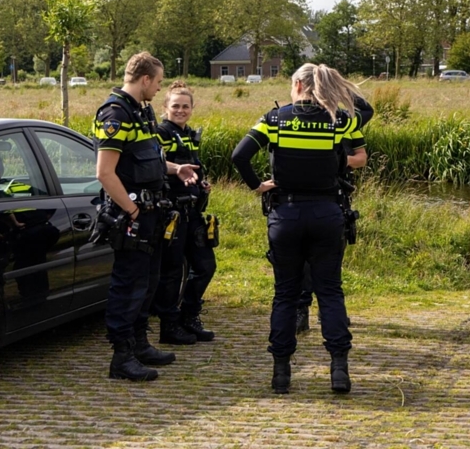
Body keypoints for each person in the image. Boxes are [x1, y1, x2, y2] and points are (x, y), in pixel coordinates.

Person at [231, 63, 367, 395]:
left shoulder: (274, 119)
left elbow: (239, 156)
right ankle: (339, 369)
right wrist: (332, 162)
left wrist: (258, 185)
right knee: (330, 292)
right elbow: (359, 157)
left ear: (296, 85)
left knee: (285, 295)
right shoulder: (341, 120)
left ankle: (281, 373)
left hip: (286, 215)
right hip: (327, 213)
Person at [94, 52, 199, 382]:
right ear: (145, 79)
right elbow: (105, 172)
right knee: (128, 285)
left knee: (147, 282)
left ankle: (140, 344)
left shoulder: (142, 111)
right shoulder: (115, 113)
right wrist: (132, 210)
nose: (159, 88)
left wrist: (175, 168)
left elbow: (146, 160)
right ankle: (121, 356)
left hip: (152, 214)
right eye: (158, 82)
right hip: (132, 216)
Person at [296, 82, 373, 334]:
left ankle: (328, 309)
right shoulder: (296, 117)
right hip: (302, 195)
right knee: (303, 258)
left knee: (332, 256)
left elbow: (366, 111)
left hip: (335, 193)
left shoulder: (343, 121)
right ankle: (301, 309)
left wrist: (339, 88)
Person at [153, 81, 217, 346]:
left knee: (205, 266)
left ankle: (189, 316)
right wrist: (177, 169)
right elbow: (154, 161)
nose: (180, 110)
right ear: (165, 107)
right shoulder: (159, 133)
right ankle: (169, 326)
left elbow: (194, 168)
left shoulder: (189, 134)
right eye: (175, 106)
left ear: (192, 108)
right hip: (171, 215)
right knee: (171, 272)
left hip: (192, 213)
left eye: (185, 106)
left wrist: (202, 184)